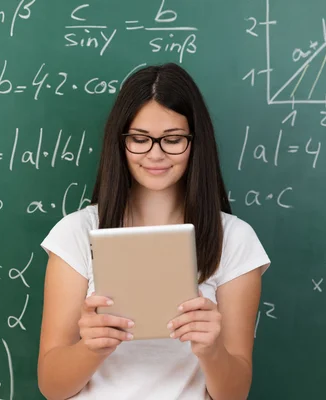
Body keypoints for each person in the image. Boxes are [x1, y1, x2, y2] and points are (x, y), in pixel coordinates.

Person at [37, 62, 271, 400]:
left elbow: (234, 394)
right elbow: (52, 387)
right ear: (121, 142)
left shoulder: (234, 239)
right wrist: (92, 348)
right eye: (139, 139)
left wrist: (211, 350)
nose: (156, 154)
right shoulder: (76, 232)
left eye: (173, 139)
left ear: (195, 142)